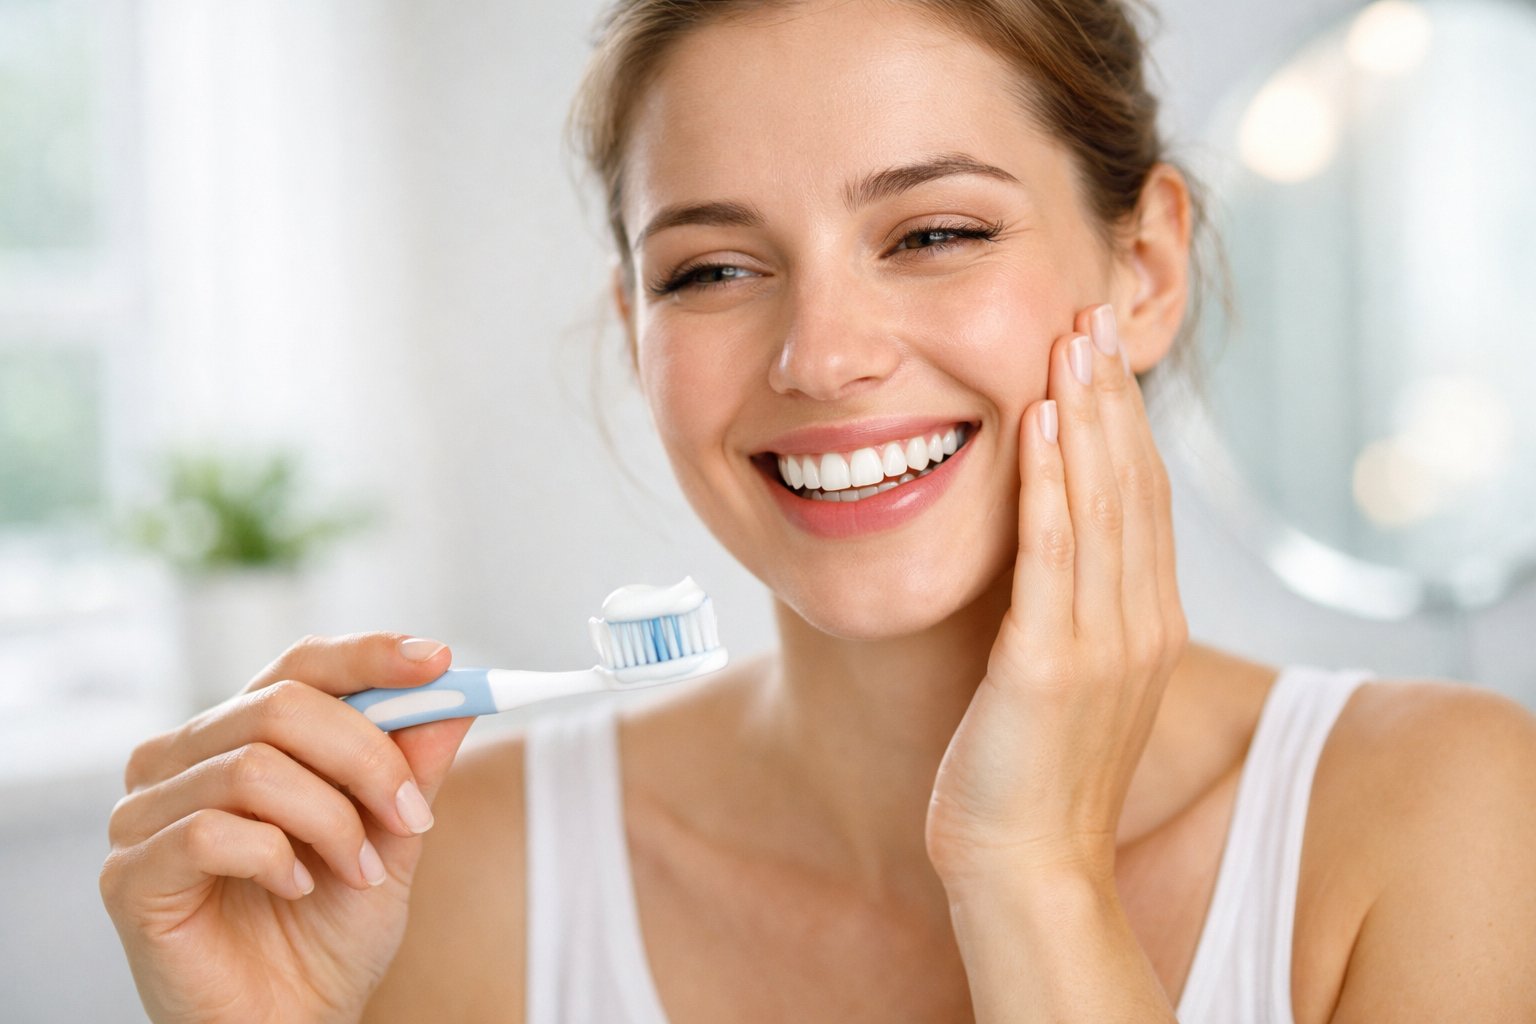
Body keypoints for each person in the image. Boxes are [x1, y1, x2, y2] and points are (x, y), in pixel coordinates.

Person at [101, 0, 1536, 1020]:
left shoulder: (1443, 820)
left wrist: (1033, 881)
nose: (819, 355)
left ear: (1146, 264)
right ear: (634, 325)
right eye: (713, 269)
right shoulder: (449, 868)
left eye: (935, 232)